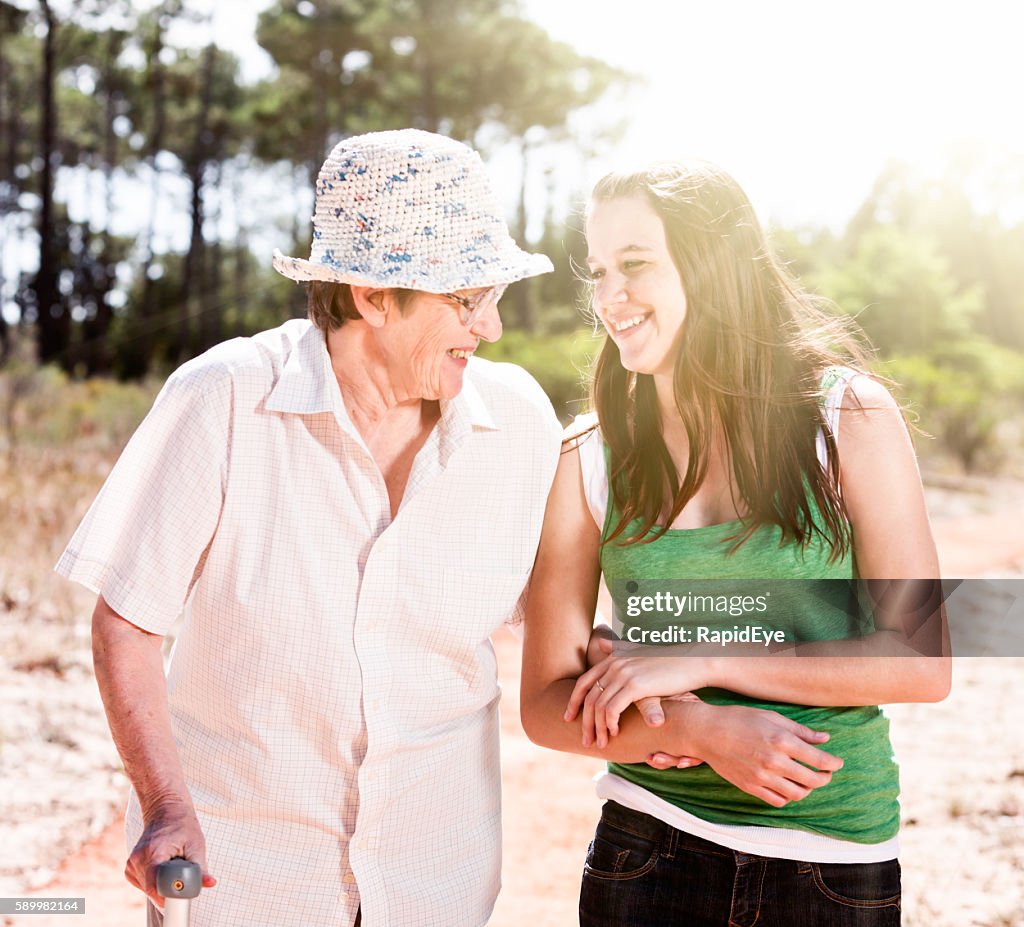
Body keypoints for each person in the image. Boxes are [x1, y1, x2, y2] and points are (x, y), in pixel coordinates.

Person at [56, 129, 563, 927]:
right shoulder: (221, 398)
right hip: (244, 884)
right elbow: (126, 619)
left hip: (439, 885)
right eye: (468, 300)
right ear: (373, 295)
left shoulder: (522, 424)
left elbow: (556, 621)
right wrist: (164, 807)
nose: (491, 328)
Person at [520, 159, 950, 926]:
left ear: (713, 265)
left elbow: (922, 659)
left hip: (831, 864)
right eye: (599, 271)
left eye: (637, 264)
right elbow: (545, 702)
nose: (609, 296)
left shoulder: (847, 418)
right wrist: (701, 727)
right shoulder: (584, 457)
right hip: (644, 851)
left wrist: (706, 658)